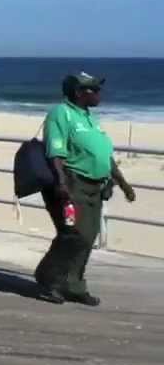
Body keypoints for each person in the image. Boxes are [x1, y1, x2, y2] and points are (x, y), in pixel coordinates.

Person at [34, 72, 137, 306]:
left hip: (95, 187)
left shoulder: (89, 118)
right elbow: (55, 152)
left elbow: (104, 156)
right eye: (94, 90)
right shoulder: (61, 114)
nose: (99, 94)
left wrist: (122, 183)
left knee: (88, 236)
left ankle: (74, 285)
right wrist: (61, 184)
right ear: (79, 93)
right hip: (72, 183)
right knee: (73, 235)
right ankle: (49, 280)